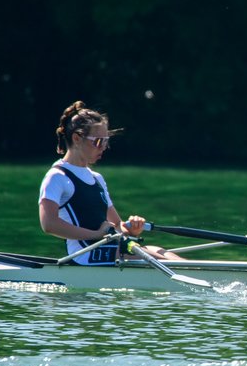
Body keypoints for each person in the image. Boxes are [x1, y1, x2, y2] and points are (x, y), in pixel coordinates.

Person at [38, 100, 174, 265]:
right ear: (77, 138)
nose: (103, 147)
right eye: (98, 141)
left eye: (106, 141)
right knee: (156, 258)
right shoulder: (57, 177)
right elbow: (49, 224)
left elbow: (117, 225)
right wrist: (96, 234)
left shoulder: (97, 178)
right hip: (84, 255)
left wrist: (131, 229)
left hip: (108, 248)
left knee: (161, 251)